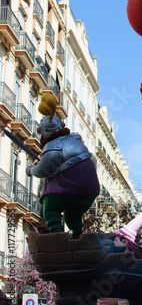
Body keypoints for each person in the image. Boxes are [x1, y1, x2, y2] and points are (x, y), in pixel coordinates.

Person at [26, 93, 100, 236]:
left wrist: (30, 169)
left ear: (44, 132)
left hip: (69, 190)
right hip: (90, 191)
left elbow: (43, 170)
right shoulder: (75, 140)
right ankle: (78, 237)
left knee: (50, 209)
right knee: (72, 217)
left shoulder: (54, 146)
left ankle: (56, 235)